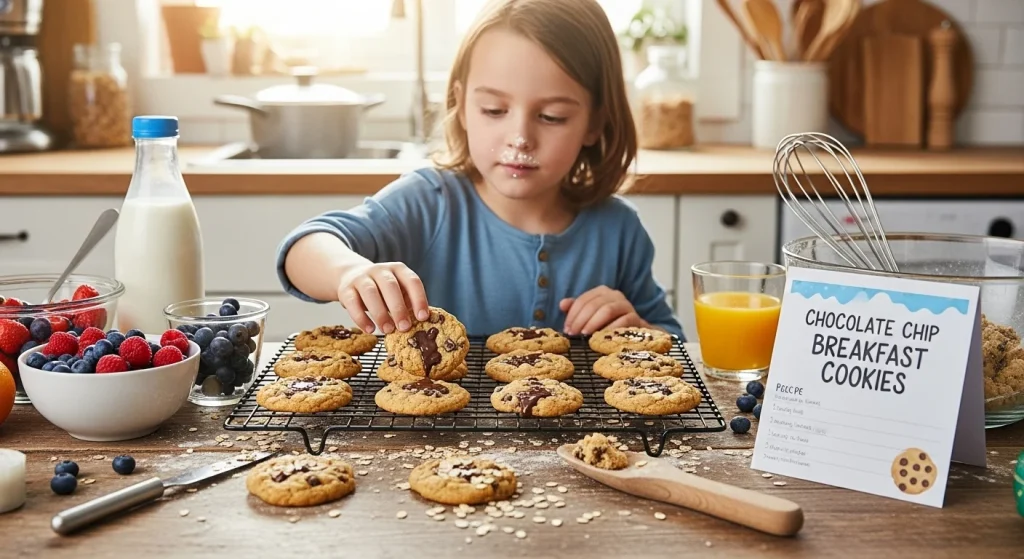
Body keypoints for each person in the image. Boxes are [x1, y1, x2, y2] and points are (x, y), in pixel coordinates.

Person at [275, 0, 684, 340]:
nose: (519, 137)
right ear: (462, 105)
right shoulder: (428, 203)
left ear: (595, 123)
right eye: (494, 110)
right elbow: (304, 248)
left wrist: (637, 327)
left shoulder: (618, 230)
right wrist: (351, 272)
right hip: (428, 438)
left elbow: (672, 341)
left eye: (552, 116)